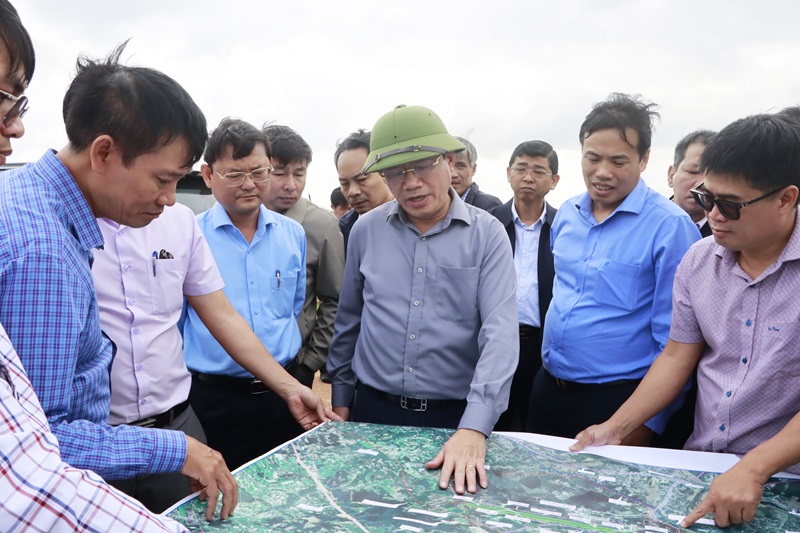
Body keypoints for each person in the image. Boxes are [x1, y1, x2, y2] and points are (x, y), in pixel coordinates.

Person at [0, 42, 237, 521]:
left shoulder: (31, 202)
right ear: (104, 152)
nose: (171, 200)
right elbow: (38, 443)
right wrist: (175, 450)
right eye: (163, 180)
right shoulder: (42, 254)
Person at [571, 113, 800, 529]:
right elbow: (677, 357)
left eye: (731, 205)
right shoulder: (698, 260)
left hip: (785, 479)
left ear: (786, 198)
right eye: (706, 197)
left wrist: (755, 467)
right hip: (700, 466)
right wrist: (615, 427)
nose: (714, 215)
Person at [327, 105, 518, 495]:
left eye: (423, 166)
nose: (411, 183)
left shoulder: (488, 235)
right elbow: (350, 320)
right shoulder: (365, 231)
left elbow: (499, 333)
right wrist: (342, 400)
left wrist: (474, 426)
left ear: (450, 162)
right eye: (395, 172)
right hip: (372, 413)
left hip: (454, 421)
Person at [94, 200, 333, 511]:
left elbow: (222, 315)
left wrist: (290, 388)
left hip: (178, 431)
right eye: (162, 177)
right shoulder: (52, 226)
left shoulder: (178, 221)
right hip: (95, 437)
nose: (169, 196)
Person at [527, 93, 700, 443]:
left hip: (617, 404)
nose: (602, 172)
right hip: (547, 389)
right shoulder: (567, 217)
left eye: (619, 161)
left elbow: (677, 346)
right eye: (592, 158)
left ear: (644, 159)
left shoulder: (670, 228)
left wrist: (647, 424)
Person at [184, 118, 326, 470]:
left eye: (260, 172)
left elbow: (294, 308)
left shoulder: (292, 234)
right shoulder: (190, 237)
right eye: (234, 174)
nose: (249, 184)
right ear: (207, 176)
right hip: (215, 401)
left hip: (284, 396)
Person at [262, 125, 344, 387]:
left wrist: (310, 363)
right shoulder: (234, 219)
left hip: (292, 367)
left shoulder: (322, 226)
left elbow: (333, 300)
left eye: (299, 173)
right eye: (279, 173)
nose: (291, 185)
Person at [490, 140, 559, 432]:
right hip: (496, 342)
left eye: (539, 171)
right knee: (495, 426)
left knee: (539, 426)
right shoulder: (489, 224)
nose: (528, 177)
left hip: (543, 347)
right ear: (508, 173)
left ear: (554, 181)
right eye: (521, 168)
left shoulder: (564, 226)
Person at [335, 129, 394, 256]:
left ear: (385, 173)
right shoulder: (342, 231)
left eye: (361, 180)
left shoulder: (416, 219)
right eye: (344, 184)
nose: (352, 192)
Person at [668, 130, 717, 238]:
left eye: (712, 175)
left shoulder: (730, 238)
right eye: (692, 172)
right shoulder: (644, 222)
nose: (702, 183)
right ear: (671, 175)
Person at [452, 136, 501, 211]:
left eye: (461, 166)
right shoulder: (433, 207)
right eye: (449, 166)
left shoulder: (489, 206)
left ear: (473, 169)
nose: (454, 174)